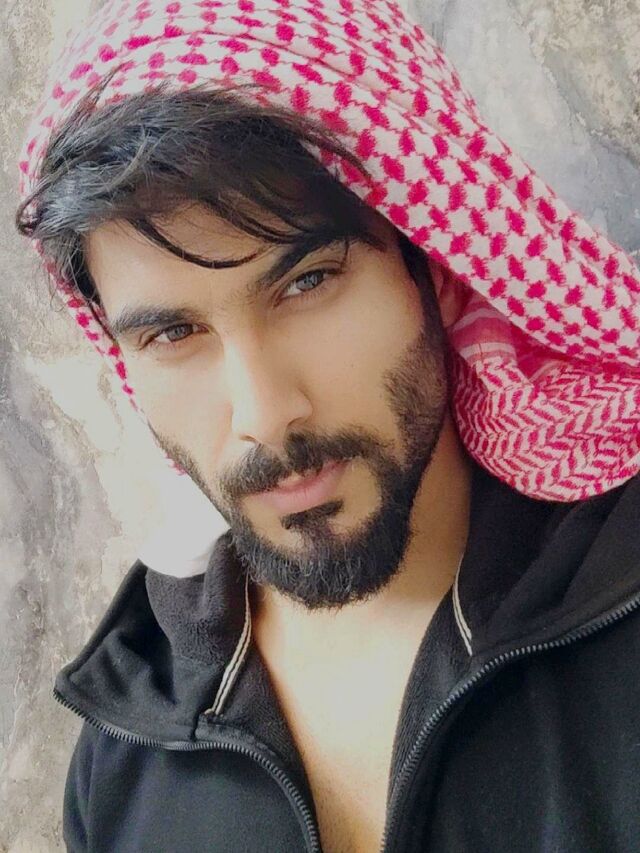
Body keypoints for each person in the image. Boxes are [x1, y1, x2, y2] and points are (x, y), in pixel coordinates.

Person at [14, 1, 640, 851]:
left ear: (439, 268)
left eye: (307, 283)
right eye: (173, 334)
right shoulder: (126, 749)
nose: (265, 416)